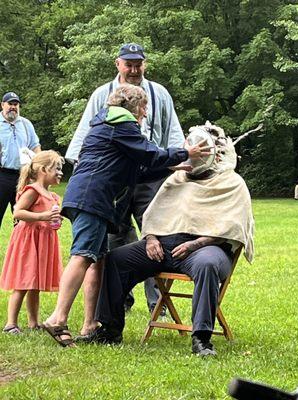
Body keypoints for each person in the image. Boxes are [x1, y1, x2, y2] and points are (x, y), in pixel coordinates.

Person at [43, 84, 210, 347]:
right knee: (82, 255)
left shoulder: (109, 125)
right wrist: (184, 153)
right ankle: (57, 318)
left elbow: (136, 172)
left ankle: (91, 324)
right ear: (134, 104)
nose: (144, 114)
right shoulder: (121, 123)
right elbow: (148, 154)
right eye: (144, 108)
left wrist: (170, 166)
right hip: (92, 198)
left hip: (91, 198)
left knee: (97, 260)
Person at [82, 123, 254, 356]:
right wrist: (151, 237)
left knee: (207, 264)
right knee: (115, 259)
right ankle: (110, 330)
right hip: (162, 247)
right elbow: (155, 214)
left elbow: (232, 228)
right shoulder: (177, 178)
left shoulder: (232, 184)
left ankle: (201, 339)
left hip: (205, 249)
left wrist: (196, 244)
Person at [65, 43, 185, 333]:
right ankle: (118, 301)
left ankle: (158, 303)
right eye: (128, 64)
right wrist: (91, 171)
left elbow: (173, 134)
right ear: (117, 64)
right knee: (112, 242)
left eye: (138, 64)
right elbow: (85, 137)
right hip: (112, 183)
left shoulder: (159, 93)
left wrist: (178, 163)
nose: (133, 69)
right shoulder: (102, 95)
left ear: (145, 64)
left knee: (156, 236)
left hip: (149, 177)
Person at [0, 150, 64, 333]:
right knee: (23, 281)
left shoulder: (52, 195)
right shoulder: (32, 190)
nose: (60, 172)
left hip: (43, 241)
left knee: (35, 282)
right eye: (57, 168)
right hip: (28, 241)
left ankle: (33, 323)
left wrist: (54, 222)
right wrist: (43, 216)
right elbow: (17, 212)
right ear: (43, 169)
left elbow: (49, 219)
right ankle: (10, 323)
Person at [0, 92, 41, 228]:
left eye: (15, 104)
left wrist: (39, 167)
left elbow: (35, 146)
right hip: (2, 175)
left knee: (22, 219)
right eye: (10, 104)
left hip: (23, 175)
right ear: (2, 105)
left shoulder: (25, 124)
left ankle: (20, 249)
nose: (13, 107)